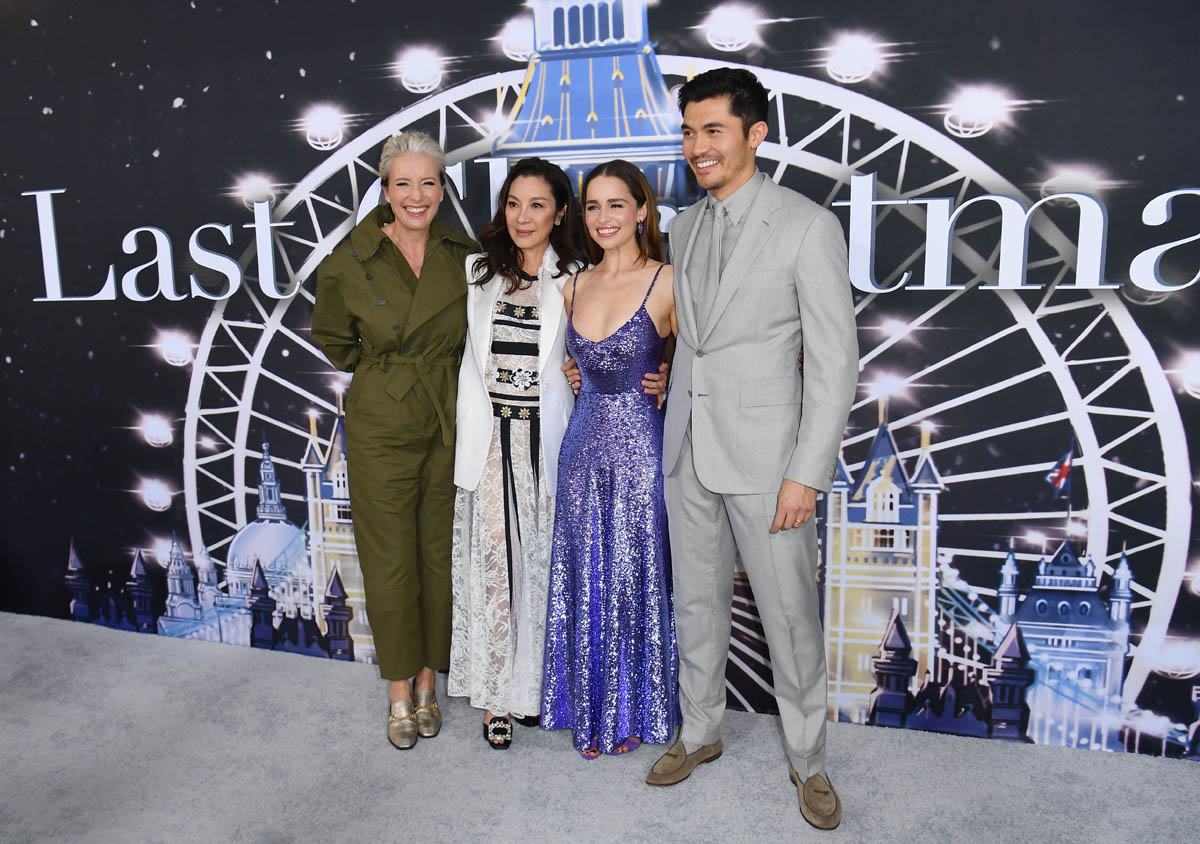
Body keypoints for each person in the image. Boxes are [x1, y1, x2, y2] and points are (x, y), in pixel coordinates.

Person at [645, 68, 858, 832]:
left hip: (771, 464)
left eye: (713, 130)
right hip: (687, 448)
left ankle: (809, 761)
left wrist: (807, 473)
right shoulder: (683, 226)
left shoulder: (806, 225)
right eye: (688, 131)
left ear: (755, 134)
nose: (696, 146)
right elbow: (698, 340)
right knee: (697, 606)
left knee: (789, 618)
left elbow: (835, 363)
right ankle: (700, 731)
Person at [311, 131, 476, 750]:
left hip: (449, 415)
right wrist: (387, 372)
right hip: (382, 419)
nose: (416, 195)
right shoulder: (348, 260)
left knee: (439, 556)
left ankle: (431, 680)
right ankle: (400, 691)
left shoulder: (465, 256)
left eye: (428, 182)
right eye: (403, 183)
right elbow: (334, 339)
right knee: (389, 562)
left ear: (442, 190)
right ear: (384, 190)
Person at [448, 158, 590, 749]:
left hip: (548, 440)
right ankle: (496, 697)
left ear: (559, 213)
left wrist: (591, 372)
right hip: (488, 443)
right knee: (496, 569)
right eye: (513, 203)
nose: (523, 217)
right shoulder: (477, 271)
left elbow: (603, 346)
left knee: (541, 569)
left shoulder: (578, 275)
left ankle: (533, 689)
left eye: (537, 205)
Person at [541, 160, 681, 759]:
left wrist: (672, 376)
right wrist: (574, 372)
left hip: (642, 452)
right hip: (580, 450)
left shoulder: (667, 280)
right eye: (592, 206)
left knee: (633, 575)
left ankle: (633, 709)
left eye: (616, 204)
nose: (603, 218)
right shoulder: (570, 286)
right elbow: (555, 368)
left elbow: (706, 358)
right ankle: (588, 708)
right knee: (587, 576)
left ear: (642, 210)